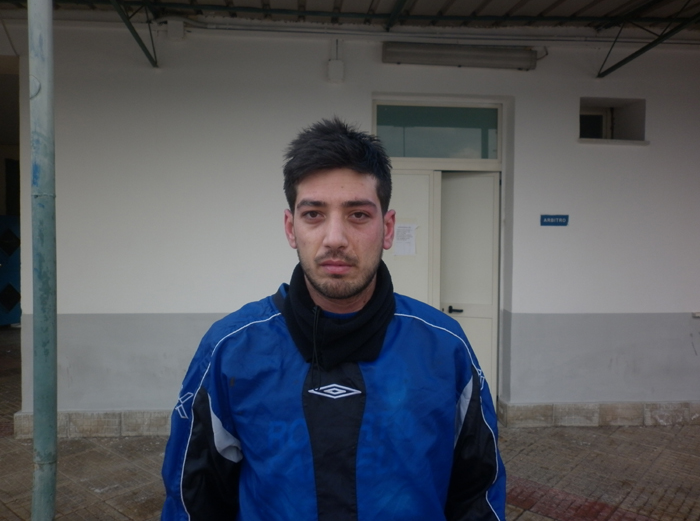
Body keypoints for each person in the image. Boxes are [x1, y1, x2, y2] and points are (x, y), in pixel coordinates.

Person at [161, 118, 506, 521]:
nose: (335, 238)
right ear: (291, 228)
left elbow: (478, 494)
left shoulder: (445, 348)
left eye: (358, 214)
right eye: (313, 214)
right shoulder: (230, 351)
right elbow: (192, 501)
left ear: (387, 228)